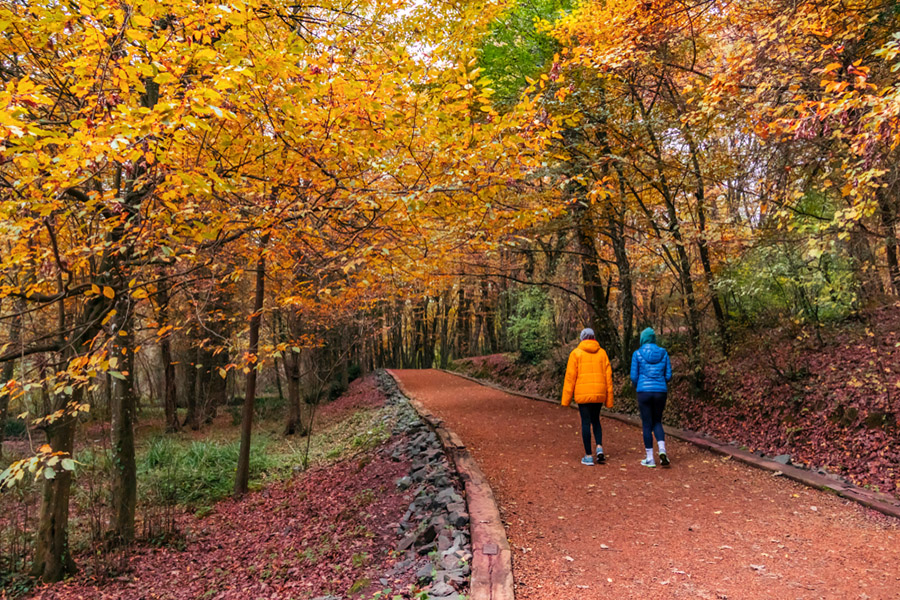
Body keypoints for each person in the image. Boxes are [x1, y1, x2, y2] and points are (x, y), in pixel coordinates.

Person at [561, 328, 614, 466]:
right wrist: (609, 399)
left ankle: (588, 456)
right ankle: (599, 447)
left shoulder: (576, 354)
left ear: (582, 338)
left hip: (583, 394)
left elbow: (570, 378)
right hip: (599, 393)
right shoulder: (602, 353)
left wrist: (566, 400)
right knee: (596, 420)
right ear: (594, 337)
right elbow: (608, 377)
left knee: (585, 422)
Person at [630, 327, 673, 468]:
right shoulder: (664, 353)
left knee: (647, 424)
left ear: (643, 339)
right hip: (661, 392)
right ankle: (662, 451)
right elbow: (668, 376)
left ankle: (649, 458)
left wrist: (640, 385)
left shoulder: (637, 354)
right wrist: (660, 383)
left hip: (644, 392)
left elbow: (634, 376)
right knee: (658, 422)